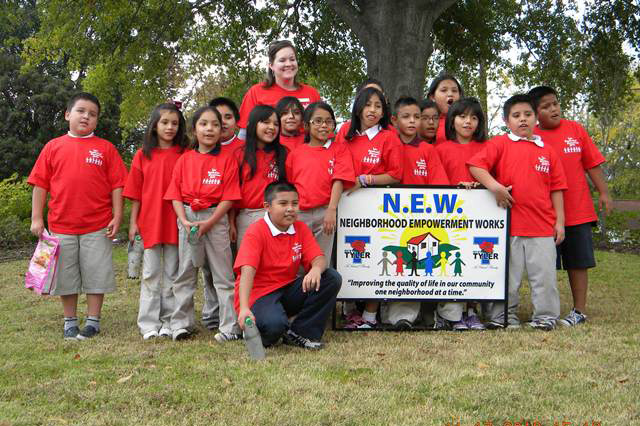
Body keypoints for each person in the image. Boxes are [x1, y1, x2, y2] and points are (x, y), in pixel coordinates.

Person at [28, 92, 128, 340]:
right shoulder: (53, 147)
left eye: (92, 114)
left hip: (98, 225)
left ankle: (93, 321)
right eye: (81, 111)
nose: (86, 116)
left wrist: (117, 215)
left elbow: (118, 184)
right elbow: (40, 185)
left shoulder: (106, 148)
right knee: (67, 276)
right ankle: (70, 321)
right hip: (62, 225)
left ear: (96, 121)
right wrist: (37, 219)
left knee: (96, 274)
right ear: (67, 114)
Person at [468, 94, 568, 331]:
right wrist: (495, 187)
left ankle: (545, 317)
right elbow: (475, 166)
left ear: (535, 118)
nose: (522, 120)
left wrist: (560, 222)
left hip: (542, 226)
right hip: (508, 225)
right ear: (506, 120)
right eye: (516, 116)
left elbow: (557, 189)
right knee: (506, 278)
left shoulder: (548, 151)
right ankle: (503, 317)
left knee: (544, 278)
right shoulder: (500, 144)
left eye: (527, 114)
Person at [528, 85, 612, 326]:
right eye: (545, 106)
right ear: (535, 113)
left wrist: (604, 192)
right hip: (544, 215)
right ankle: (546, 311)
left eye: (555, 103)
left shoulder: (575, 129)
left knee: (578, 262)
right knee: (545, 267)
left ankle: (579, 310)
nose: (553, 109)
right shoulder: (531, 137)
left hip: (578, 211)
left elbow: (592, 163)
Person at [163, 106, 241, 342]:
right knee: (186, 273)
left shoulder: (227, 160)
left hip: (215, 219)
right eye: (204, 124)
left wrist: (211, 222)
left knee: (223, 275)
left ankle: (230, 327)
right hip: (187, 219)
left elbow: (229, 197)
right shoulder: (185, 159)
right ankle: (181, 324)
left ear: (221, 130)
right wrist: (184, 220)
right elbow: (174, 194)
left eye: (215, 125)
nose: (209, 129)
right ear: (194, 129)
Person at [235, 181, 342, 350]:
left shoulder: (299, 228)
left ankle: (300, 333)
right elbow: (247, 271)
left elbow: (319, 258)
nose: (290, 209)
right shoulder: (256, 231)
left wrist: (315, 268)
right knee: (274, 327)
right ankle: (256, 328)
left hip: (287, 290)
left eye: (294, 203)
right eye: (283, 204)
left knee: (330, 278)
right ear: (267, 207)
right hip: (260, 294)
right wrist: (244, 308)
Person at [336, 86, 403, 329]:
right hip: (346, 204)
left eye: (378, 106)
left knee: (375, 255)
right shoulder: (345, 131)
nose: (373, 110)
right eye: (368, 105)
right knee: (349, 256)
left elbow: (396, 174)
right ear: (358, 107)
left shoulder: (388, 135)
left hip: (376, 206)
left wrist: (364, 180)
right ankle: (349, 310)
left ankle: (369, 317)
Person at [123, 103, 188, 340]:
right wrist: (133, 224)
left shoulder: (185, 154)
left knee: (173, 272)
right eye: (164, 122)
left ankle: (171, 321)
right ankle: (149, 323)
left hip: (176, 220)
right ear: (154, 125)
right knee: (151, 273)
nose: (170, 127)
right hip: (150, 221)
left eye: (175, 123)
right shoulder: (143, 155)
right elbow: (136, 194)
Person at [384, 96, 448, 330]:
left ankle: (423, 313)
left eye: (417, 117)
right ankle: (399, 316)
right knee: (397, 265)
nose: (413, 122)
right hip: (388, 217)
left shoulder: (428, 150)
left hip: (421, 217)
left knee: (420, 264)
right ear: (394, 119)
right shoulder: (386, 143)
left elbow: (440, 185)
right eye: (406, 117)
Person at [434, 97, 489, 331]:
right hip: (449, 217)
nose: (468, 122)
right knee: (450, 262)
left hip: (480, 217)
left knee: (475, 262)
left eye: (474, 117)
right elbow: (437, 182)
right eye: (462, 116)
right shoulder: (441, 149)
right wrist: (456, 188)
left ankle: (472, 310)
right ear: (451, 120)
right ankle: (450, 313)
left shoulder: (488, 147)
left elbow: (495, 178)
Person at [286, 101, 355, 260]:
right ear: (306, 126)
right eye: (318, 121)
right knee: (297, 260)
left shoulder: (339, 149)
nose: (324, 125)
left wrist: (331, 210)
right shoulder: (296, 154)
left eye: (329, 121)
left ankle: (318, 286)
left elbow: (339, 179)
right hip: (299, 214)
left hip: (325, 212)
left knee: (320, 259)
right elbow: (290, 185)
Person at [201, 96, 244, 331]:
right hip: (209, 218)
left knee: (232, 269)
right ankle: (212, 312)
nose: (223, 123)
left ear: (236, 121)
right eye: (218, 118)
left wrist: (232, 220)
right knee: (210, 269)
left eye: (228, 117)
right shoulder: (203, 148)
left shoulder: (243, 148)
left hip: (238, 216)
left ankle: (236, 312)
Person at [237, 40, 321, 140]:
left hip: (305, 153)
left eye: (292, 59)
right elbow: (244, 134)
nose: (289, 64)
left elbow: (322, 130)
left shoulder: (311, 93)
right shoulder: (256, 92)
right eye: (282, 60)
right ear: (271, 65)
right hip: (268, 153)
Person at [234, 105, 288, 246]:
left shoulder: (283, 153)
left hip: (276, 216)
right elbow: (232, 191)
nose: (272, 127)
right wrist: (231, 222)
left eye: (276, 124)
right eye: (265, 122)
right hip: (247, 216)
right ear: (252, 125)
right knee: (248, 263)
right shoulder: (240, 154)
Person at [426, 73, 464, 145]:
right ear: (432, 97)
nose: (450, 94)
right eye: (444, 90)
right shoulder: (421, 121)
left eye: (454, 91)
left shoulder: (469, 121)